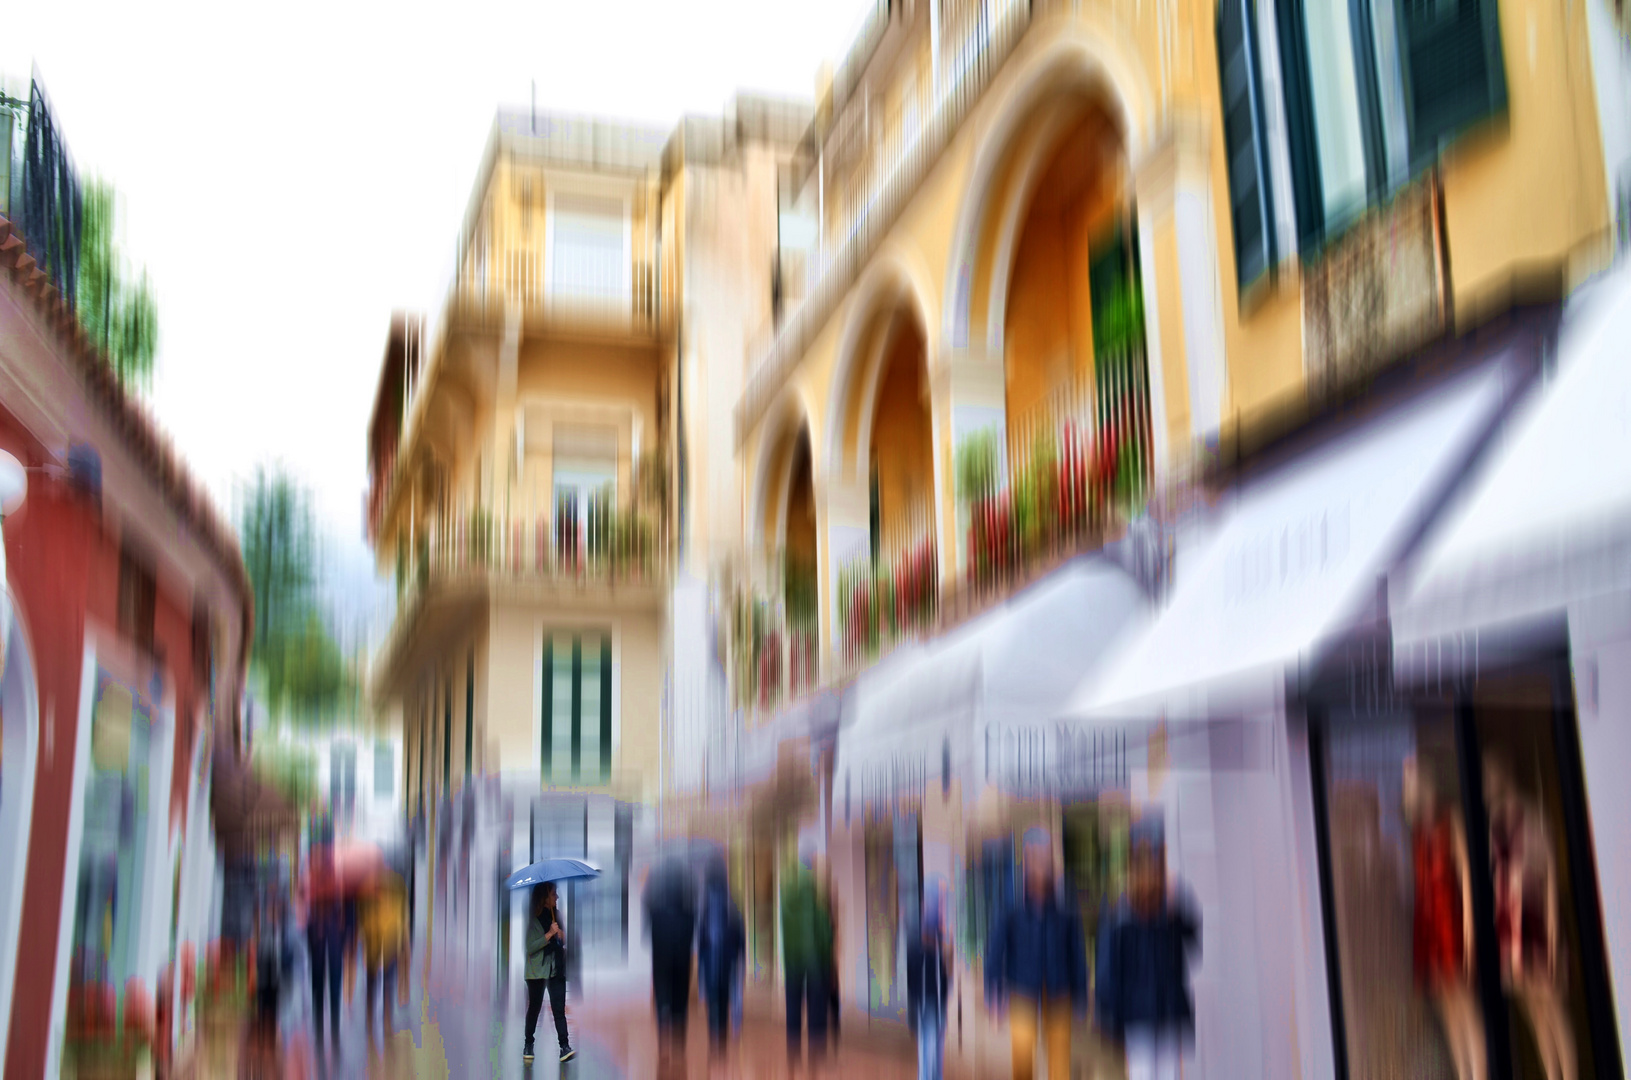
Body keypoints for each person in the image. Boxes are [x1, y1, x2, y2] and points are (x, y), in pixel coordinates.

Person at [1095, 819, 1201, 1080]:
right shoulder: (1119, 908)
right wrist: (1107, 1009)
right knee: (1149, 1070)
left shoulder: (1172, 899)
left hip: (1164, 1004)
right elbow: (1108, 966)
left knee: (1162, 1071)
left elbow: (1192, 945)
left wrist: (1177, 909)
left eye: (1151, 853)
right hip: (1143, 1007)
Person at [984, 830, 1088, 1080]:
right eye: (1034, 854)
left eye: (1044, 854)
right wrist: (993, 992)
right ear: (1026, 859)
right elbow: (995, 948)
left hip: (1059, 990)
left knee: (1060, 1060)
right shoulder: (1011, 903)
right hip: (1022, 990)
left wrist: (1081, 994)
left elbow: (1077, 951)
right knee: (1022, 1061)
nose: (1039, 861)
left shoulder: (1064, 903)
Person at [781, 842, 835, 1076]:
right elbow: (818, 927)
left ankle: (793, 1055)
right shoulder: (814, 886)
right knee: (816, 1008)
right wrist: (826, 955)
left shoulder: (786, 888)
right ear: (810, 864)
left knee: (793, 1005)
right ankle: (815, 1060)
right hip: (815, 959)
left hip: (792, 958)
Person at [644, 855, 700, 1070]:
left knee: (662, 1002)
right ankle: (679, 1045)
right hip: (682, 963)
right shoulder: (689, 912)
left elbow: (651, 936)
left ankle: (663, 1043)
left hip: (661, 963)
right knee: (680, 1004)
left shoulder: (656, 912)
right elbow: (691, 936)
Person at [697, 854, 746, 1064]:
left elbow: (701, 937)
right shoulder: (731, 902)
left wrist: (701, 960)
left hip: (711, 961)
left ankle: (716, 1039)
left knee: (714, 1000)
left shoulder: (705, 905)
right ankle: (722, 1039)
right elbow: (739, 933)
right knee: (724, 998)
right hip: (727, 959)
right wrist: (741, 954)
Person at [304, 859, 355, 1058]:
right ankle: (318, 1029)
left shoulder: (342, 891)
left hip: (334, 944)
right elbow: (309, 918)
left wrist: (346, 939)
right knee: (318, 986)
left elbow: (350, 917)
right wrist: (311, 939)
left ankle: (334, 1029)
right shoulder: (316, 890)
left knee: (334, 985)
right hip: (319, 945)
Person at [906, 879, 951, 1080]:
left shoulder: (940, 928)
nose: (940, 904)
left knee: (937, 1044)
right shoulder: (921, 927)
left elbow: (947, 964)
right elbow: (915, 960)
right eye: (938, 899)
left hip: (939, 994)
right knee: (929, 1043)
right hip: (926, 995)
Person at [524, 882, 574, 1063]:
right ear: (544, 898)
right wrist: (549, 935)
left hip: (556, 969)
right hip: (537, 970)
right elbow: (530, 947)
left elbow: (562, 941)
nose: (557, 897)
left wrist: (560, 934)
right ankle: (528, 1044)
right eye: (554, 894)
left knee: (559, 1010)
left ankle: (564, 1047)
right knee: (535, 1008)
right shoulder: (532, 919)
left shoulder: (557, 915)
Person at [361, 868, 409, 1047]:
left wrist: (404, 945)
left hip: (390, 946)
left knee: (387, 984)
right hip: (374, 945)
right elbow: (364, 924)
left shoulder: (396, 901)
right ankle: (370, 1020)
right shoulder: (370, 900)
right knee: (372, 984)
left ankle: (386, 1021)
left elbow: (402, 923)